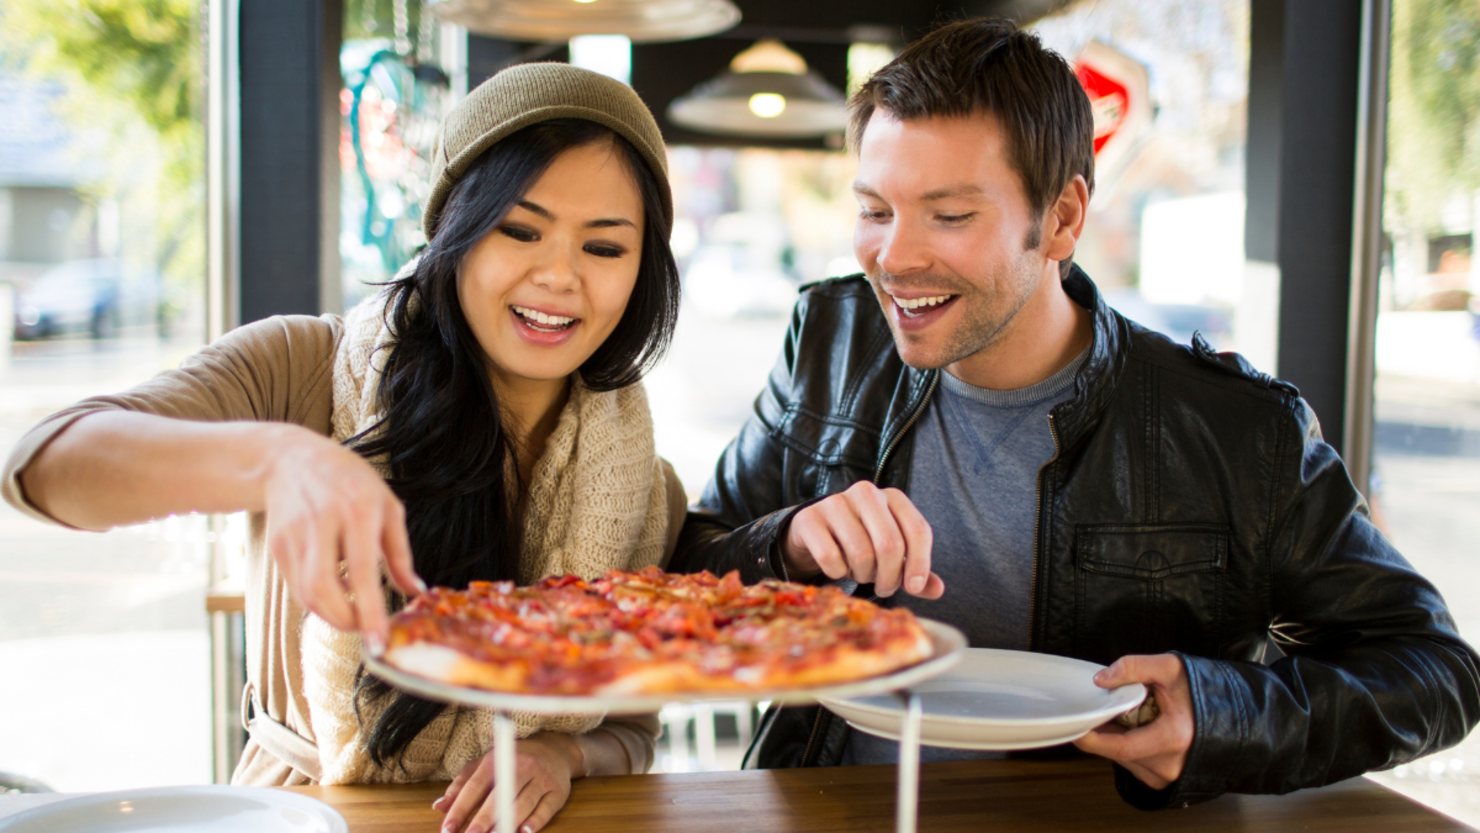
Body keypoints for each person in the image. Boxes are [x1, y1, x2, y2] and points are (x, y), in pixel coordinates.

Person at [671, 18, 1480, 809]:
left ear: (1061, 219)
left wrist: (1224, 714)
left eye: (950, 216)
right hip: (841, 805)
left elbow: (1434, 670)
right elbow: (683, 572)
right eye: (876, 210)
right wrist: (791, 541)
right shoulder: (832, 339)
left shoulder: (1238, 430)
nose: (895, 257)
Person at [2, 63, 685, 833]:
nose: (559, 276)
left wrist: (562, 752)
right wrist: (276, 460)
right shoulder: (304, 369)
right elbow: (44, 463)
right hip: (298, 816)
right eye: (519, 230)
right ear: (452, 227)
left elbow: (631, 725)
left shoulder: (644, 482)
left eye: (604, 248)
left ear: (643, 270)